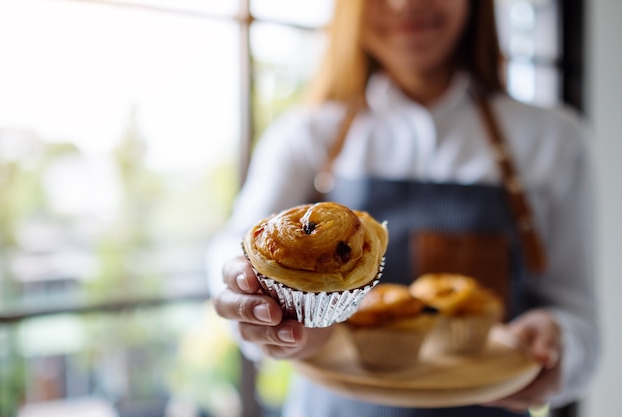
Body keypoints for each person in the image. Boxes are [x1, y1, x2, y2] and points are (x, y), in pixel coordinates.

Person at [211, 0, 600, 416]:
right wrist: (258, 308)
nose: (405, 3)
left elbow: (579, 316)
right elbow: (233, 254)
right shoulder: (306, 133)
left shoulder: (554, 140)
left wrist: (558, 343)